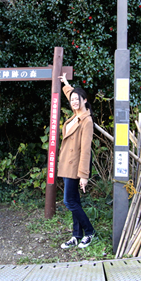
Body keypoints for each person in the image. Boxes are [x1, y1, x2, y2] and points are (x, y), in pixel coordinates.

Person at [57, 72, 96, 249]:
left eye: (77, 100)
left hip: (75, 167)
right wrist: (66, 83)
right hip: (66, 165)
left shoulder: (86, 121)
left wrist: (83, 175)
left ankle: (89, 231)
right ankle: (76, 235)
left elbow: (86, 150)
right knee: (75, 201)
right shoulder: (75, 113)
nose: (74, 102)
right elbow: (72, 94)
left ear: (85, 101)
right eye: (72, 100)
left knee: (69, 201)